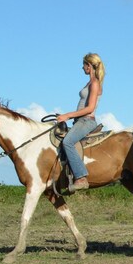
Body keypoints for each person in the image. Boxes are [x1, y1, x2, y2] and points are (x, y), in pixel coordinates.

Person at [56, 53, 105, 192]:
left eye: (84, 65)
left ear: (89, 66)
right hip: (79, 120)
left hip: (87, 121)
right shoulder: (90, 83)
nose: (82, 67)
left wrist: (68, 115)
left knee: (67, 142)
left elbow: (89, 108)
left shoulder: (95, 83)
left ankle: (81, 177)